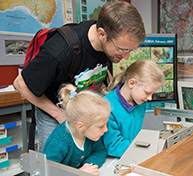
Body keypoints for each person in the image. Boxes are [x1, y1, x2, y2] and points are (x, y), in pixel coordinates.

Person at [13, 1, 146, 151]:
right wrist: (58, 114)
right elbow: (20, 84)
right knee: (56, 165)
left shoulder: (109, 43)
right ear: (102, 34)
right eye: (122, 50)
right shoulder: (60, 51)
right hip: (54, 111)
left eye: (130, 50)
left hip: (83, 113)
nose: (126, 57)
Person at [42, 84, 111, 176]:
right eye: (101, 126)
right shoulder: (58, 142)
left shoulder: (90, 134)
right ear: (80, 126)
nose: (106, 129)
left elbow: (100, 151)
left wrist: (88, 165)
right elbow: (47, 171)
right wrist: (78, 173)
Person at [103, 59, 164, 158]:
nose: (150, 98)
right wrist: (147, 149)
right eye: (148, 92)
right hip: (113, 159)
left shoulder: (140, 102)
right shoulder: (107, 106)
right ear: (131, 83)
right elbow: (114, 146)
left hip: (132, 154)